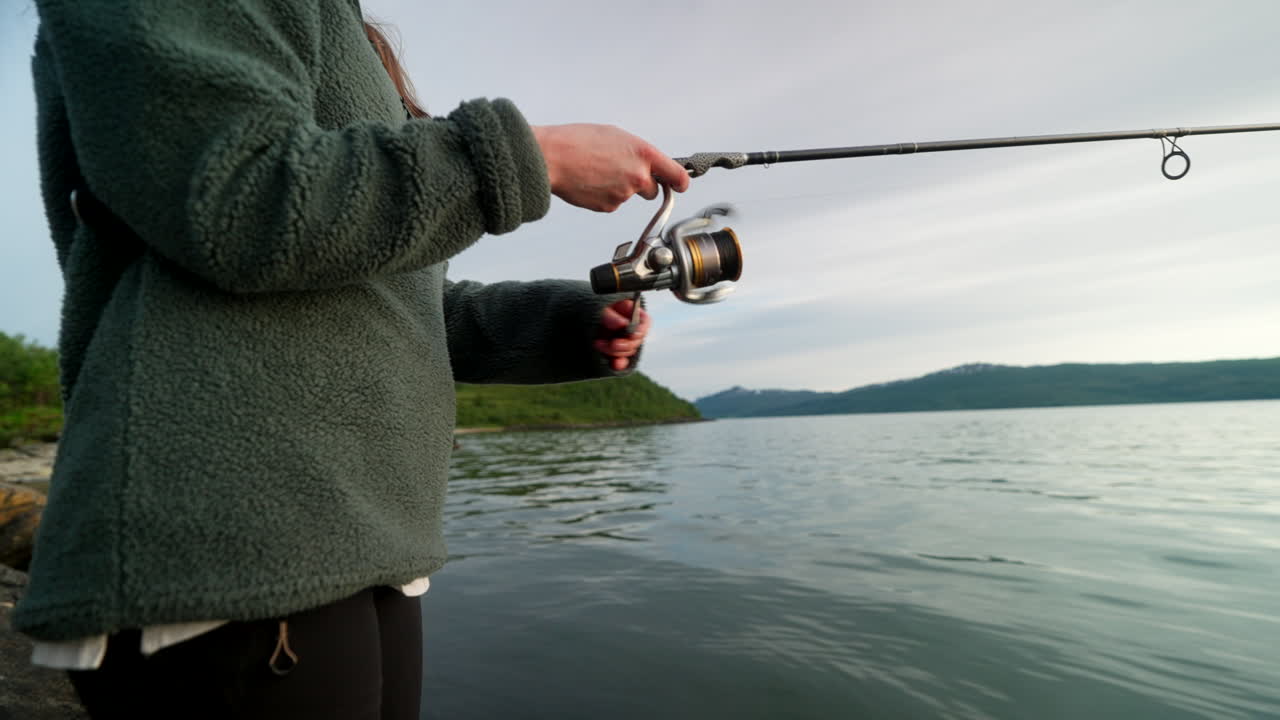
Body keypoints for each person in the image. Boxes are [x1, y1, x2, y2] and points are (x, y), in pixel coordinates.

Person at [14, 1, 692, 718]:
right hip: (236, 539)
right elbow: (236, 195)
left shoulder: (346, 33)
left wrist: (570, 325)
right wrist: (533, 155)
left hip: (368, 541)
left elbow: (401, 304)